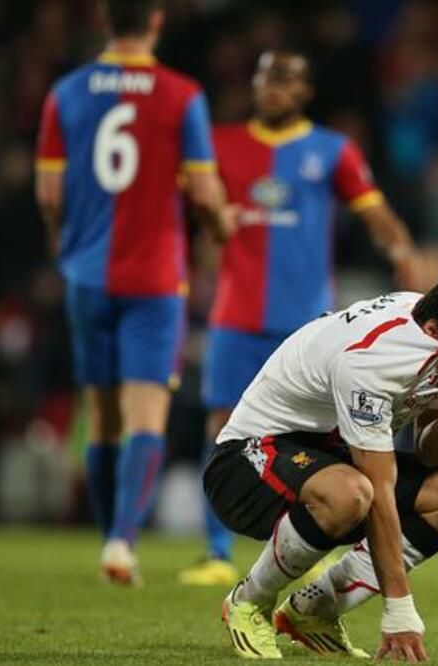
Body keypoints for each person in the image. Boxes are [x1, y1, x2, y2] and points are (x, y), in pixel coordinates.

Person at [179, 49, 421, 586]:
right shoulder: (221, 143)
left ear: (306, 91)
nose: (273, 88)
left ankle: (322, 536)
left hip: (308, 325)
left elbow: (376, 216)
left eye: (285, 80)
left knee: (323, 434)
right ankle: (216, 551)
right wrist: (209, 232)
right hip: (235, 313)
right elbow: (196, 212)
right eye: (265, 78)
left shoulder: (332, 151)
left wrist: (403, 258)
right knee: (222, 426)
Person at [203, 271, 438, 661]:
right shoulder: (372, 360)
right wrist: (399, 611)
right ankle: (249, 600)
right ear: (434, 331)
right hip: (243, 467)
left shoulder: (430, 324)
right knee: (352, 492)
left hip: (332, 460)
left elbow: (432, 454)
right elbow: (378, 487)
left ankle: (314, 610)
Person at [34, 0, 232, 585]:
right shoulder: (181, 95)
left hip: (87, 275)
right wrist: (221, 225)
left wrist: (67, 240)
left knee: (101, 417)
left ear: (103, 20)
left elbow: (48, 194)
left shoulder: (65, 93)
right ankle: (122, 540)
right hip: (154, 279)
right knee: (147, 413)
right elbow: (203, 191)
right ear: (156, 21)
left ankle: (109, 539)